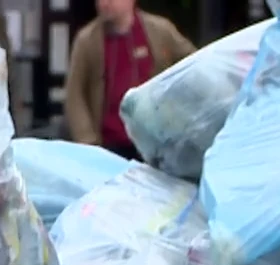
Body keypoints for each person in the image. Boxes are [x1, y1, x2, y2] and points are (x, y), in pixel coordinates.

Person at [64, 0, 194, 158]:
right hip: (108, 146)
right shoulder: (87, 40)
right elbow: (74, 94)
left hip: (156, 143)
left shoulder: (160, 31)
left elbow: (193, 65)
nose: (105, 3)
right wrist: (88, 141)